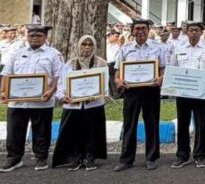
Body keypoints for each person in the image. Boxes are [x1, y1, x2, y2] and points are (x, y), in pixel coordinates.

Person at [0, 25, 62, 172]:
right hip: (17, 101)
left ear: (45, 37)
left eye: (39, 35)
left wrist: (51, 91)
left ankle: (41, 158)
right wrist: (2, 91)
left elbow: (58, 76)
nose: (34, 38)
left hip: (42, 101)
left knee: (41, 131)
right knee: (14, 130)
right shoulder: (17, 53)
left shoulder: (53, 54)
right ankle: (14, 158)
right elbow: (6, 74)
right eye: (31, 35)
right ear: (27, 37)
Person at [113, 19, 167, 172]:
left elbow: (163, 69)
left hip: (151, 90)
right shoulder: (125, 49)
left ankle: (152, 158)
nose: (140, 31)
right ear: (132, 31)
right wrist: (119, 81)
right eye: (137, 28)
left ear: (149, 30)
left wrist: (161, 78)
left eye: (144, 28)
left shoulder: (158, 48)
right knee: (129, 124)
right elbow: (117, 73)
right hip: (131, 91)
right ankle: (126, 160)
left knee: (152, 123)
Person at [52, 35, 108, 171]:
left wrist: (96, 95)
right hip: (72, 105)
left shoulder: (101, 63)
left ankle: (90, 158)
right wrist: (62, 96)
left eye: (90, 45)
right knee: (72, 132)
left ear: (94, 47)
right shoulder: (70, 63)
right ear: (78, 46)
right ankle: (75, 158)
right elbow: (61, 83)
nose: (87, 47)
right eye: (84, 44)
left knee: (92, 132)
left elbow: (105, 85)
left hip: (94, 105)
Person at [169, 21, 205, 169]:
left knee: (200, 125)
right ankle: (182, 156)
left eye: (197, 30)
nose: (194, 33)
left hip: (200, 93)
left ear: (201, 33)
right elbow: (173, 68)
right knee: (183, 124)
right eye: (191, 30)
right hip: (182, 93)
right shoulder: (178, 48)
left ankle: (200, 156)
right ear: (186, 32)